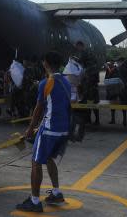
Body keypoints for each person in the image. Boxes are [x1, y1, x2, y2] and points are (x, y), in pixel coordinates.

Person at [16, 51, 73, 213]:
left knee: (36, 162)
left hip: (50, 130)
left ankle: (34, 201)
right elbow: (60, 107)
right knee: (49, 159)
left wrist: (30, 128)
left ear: (46, 63)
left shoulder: (46, 83)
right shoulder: (66, 82)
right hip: (63, 130)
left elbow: (38, 109)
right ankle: (56, 192)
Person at [75, 41, 100, 126]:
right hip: (94, 75)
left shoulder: (84, 52)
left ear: (81, 46)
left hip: (90, 74)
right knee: (92, 100)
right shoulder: (90, 51)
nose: (77, 49)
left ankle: (91, 120)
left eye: (77, 47)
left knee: (88, 98)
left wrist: (73, 59)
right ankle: (93, 120)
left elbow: (80, 61)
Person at [105, 60, 127, 126]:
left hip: (118, 88)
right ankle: (113, 119)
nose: (109, 65)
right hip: (112, 88)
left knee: (122, 104)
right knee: (112, 104)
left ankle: (124, 120)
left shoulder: (117, 69)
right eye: (108, 64)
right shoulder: (108, 70)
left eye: (110, 63)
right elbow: (106, 79)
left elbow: (120, 78)